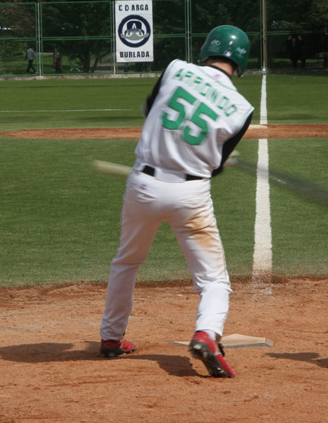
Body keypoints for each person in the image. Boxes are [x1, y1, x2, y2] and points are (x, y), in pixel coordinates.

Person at [99, 25, 255, 379]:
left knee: (126, 262)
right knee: (213, 280)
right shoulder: (242, 109)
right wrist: (217, 160)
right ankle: (206, 333)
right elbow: (213, 166)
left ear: (206, 50)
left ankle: (111, 338)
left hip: (142, 185)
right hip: (190, 195)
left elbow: (150, 111)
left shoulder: (175, 68)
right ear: (241, 61)